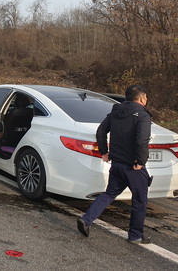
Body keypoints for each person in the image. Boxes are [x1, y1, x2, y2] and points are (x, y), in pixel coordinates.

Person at [77, 84, 152, 244]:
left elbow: (101, 131)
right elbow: (142, 140)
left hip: (117, 163)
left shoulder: (115, 112)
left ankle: (86, 219)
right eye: (145, 97)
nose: (146, 100)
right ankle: (135, 235)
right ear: (141, 98)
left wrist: (104, 152)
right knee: (140, 200)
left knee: (109, 193)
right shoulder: (143, 115)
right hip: (133, 167)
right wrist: (141, 161)